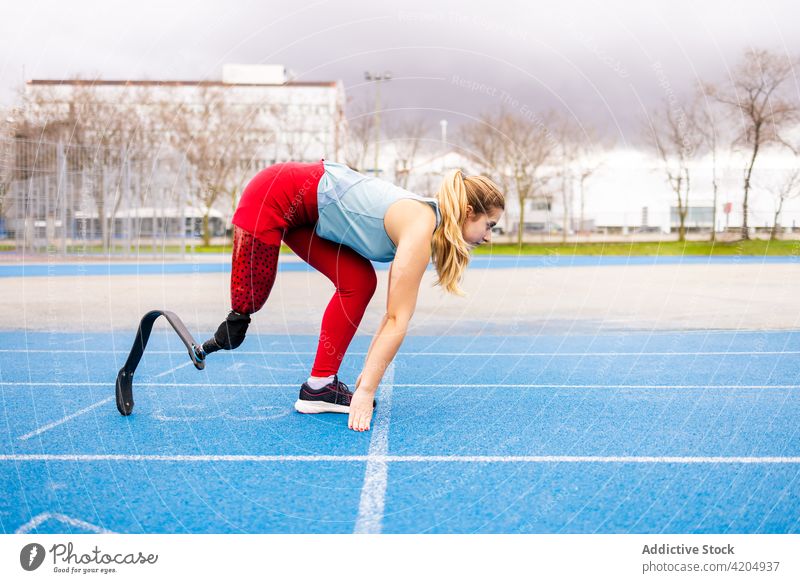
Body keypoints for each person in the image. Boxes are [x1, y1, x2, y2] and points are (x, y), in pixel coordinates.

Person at [199, 159, 504, 431]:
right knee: (245, 305)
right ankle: (241, 340)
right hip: (273, 193)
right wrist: (366, 391)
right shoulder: (420, 226)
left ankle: (318, 388)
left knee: (358, 281)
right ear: (467, 212)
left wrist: (366, 378)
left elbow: (392, 316)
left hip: (305, 212)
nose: (489, 237)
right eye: (489, 225)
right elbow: (397, 318)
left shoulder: (426, 224)